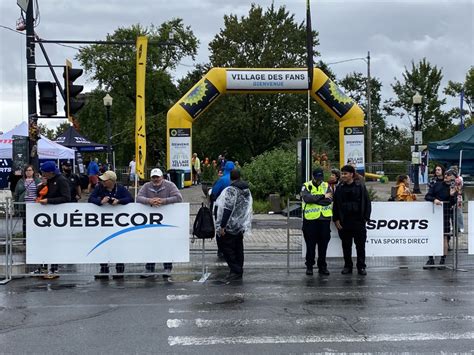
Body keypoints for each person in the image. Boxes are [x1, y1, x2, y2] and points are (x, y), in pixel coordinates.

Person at [136, 168, 183, 278]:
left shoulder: (170, 185)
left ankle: (167, 268)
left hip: (167, 221)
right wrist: (149, 201)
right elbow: (138, 198)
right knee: (150, 244)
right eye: (153, 177)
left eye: (157, 177)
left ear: (162, 177)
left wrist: (163, 201)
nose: (155, 179)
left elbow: (179, 197)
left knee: (166, 244)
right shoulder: (146, 186)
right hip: (150, 222)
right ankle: (149, 268)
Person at [88, 170, 134, 279]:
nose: (102, 181)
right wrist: (100, 201)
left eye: (105, 180)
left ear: (112, 181)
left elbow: (130, 199)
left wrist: (119, 201)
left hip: (118, 224)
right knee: (103, 246)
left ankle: (119, 270)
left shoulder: (121, 188)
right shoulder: (99, 187)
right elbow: (90, 199)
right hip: (103, 223)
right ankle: (104, 269)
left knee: (118, 245)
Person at [332, 164, 372, 276]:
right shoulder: (339, 188)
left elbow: (367, 203)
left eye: (345, 174)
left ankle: (361, 267)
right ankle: (347, 266)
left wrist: (365, 218)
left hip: (358, 221)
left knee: (360, 246)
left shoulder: (360, 187)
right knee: (346, 246)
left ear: (351, 175)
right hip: (345, 222)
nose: (343, 176)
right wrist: (336, 219)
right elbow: (335, 206)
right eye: (342, 173)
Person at [214, 169, 253, 282]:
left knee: (226, 248)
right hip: (240, 224)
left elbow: (228, 208)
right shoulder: (246, 190)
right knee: (238, 248)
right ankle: (238, 269)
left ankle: (236, 270)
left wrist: (222, 226)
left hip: (230, 225)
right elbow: (247, 207)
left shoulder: (232, 190)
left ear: (230, 177)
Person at [37, 161, 72, 278]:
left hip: (58, 216)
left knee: (54, 242)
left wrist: (49, 201)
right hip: (47, 216)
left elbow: (66, 197)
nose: (42, 175)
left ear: (50, 172)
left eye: (44, 173)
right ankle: (43, 267)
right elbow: (41, 194)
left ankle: (54, 268)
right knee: (44, 242)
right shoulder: (49, 180)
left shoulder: (61, 180)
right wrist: (43, 185)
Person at [301, 168, 333, 276]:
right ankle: (309, 266)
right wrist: (323, 196)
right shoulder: (306, 185)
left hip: (324, 220)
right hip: (310, 220)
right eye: (317, 177)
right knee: (310, 245)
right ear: (313, 176)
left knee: (323, 245)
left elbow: (329, 201)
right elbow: (307, 198)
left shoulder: (326, 185)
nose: (319, 180)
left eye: (321, 177)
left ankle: (322, 266)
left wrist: (316, 200)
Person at [424, 169, 458, 269]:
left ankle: (442, 260)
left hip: (445, 215)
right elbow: (427, 196)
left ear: (454, 177)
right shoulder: (437, 185)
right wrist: (434, 200)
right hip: (433, 216)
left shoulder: (454, 188)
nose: (446, 175)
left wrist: (452, 195)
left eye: (449, 175)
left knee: (444, 238)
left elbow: (453, 203)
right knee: (431, 237)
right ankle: (431, 259)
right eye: (446, 174)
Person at [210, 161, 235, 258]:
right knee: (232, 228)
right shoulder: (235, 180)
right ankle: (231, 248)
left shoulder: (222, 180)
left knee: (220, 227)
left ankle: (221, 250)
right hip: (234, 208)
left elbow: (214, 193)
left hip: (220, 208)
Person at [14, 165, 41, 244]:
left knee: (35, 222)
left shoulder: (37, 181)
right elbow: (16, 194)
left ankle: (35, 238)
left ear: (33, 171)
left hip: (35, 205)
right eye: (27, 170)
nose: (28, 172)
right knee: (25, 223)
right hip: (24, 205)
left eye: (30, 170)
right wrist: (16, 206)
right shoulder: (21, 181)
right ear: (24, 172)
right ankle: (25, 239)